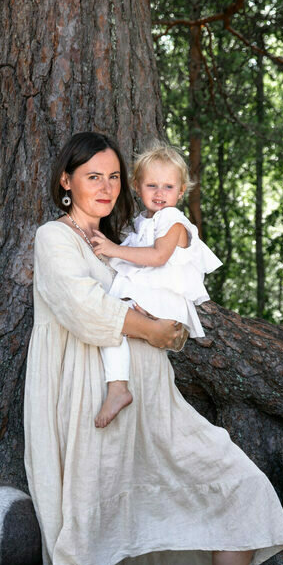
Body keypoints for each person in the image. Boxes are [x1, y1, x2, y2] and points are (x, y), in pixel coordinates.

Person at [23, 132, 283, 565]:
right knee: (88, 514)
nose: (106, 187)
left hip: (155, 402)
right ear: (66, 181)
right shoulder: (55, 237)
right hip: (88, 399)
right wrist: (150, 328)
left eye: (113, 176)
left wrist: (164, 326)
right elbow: (83, 307)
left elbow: (167, 295)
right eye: (93, 176)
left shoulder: (124, 238)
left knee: (237, 484)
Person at [91, 142, 222, 428]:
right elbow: (133, 259)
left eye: (168, 187)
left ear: (181, 191)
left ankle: (118, 387)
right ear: (137, 187)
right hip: (152, 295)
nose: (160, 193)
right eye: (152, 186)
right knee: (112, 318)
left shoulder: (172, 219)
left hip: (164, 299)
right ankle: (120, 385)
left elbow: (158, 257)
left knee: (112, 317)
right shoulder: (145, 221)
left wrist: (113, 249)